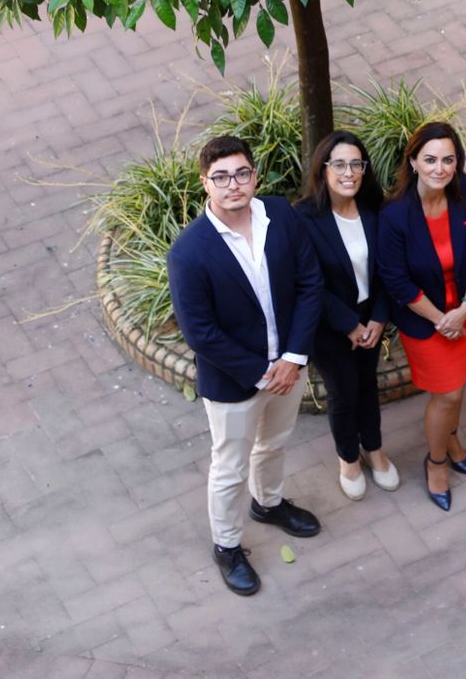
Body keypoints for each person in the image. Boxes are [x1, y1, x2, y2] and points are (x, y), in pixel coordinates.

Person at [167, 135, 323, 596]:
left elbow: (310, 282)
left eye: (241, 174)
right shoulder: (189, 252)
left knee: (274, 444)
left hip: (289, 365)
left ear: (254, 176)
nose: (232, 184)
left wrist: (292, 358)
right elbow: (200, 333)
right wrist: (263, 372)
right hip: (235, 380)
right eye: (221, 177)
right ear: (205, 184)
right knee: (230, 466)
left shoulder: (279, 213)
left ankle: (269, 504)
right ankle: (227, 545)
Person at [376, 122, 466, 512]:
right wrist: (443, 320)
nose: (440, 168)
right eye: (429, 160)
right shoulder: (394, 216)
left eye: (448, 159)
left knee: (459, 381)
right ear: (413, 162)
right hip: (425, 320)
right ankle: (437, 460)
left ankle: (453, 438)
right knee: (449, 392)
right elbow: (397, 281)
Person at [293, 131, 399, 501]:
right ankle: (348, 458)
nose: (349, 172)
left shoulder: (375, 207)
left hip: (370, 316)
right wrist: (347, 324)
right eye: (339, 164)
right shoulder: (303, 218)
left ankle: (374, 448)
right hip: (328, 323)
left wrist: (378, 318)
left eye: (356, 164)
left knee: (368, 384)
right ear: (323, 170)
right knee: (343, 391)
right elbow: (308, 283)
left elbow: (390, 268)